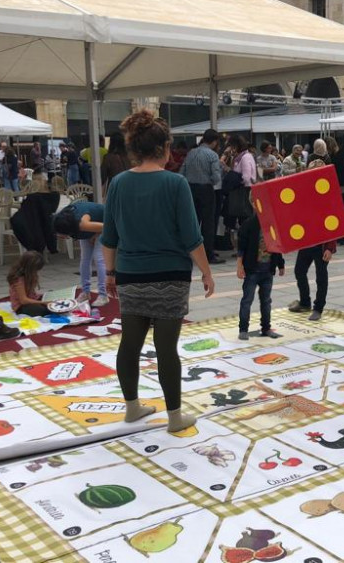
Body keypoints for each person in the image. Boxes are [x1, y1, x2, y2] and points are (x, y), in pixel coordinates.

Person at [102, 109, 214, 434]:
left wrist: (110, 273)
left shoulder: (119, 184)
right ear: (165, 148)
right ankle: (175, 416)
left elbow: (109, 237)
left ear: (134, 149)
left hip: (130, 276)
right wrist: (206, 272)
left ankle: (132, 407)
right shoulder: (175, 183)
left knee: (129, 344)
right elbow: (192, 237)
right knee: (167, 350)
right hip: (171, 276)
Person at [236, 207, 284, 340]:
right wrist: (239, 265)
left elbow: (277, 245)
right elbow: (241, 247)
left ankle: (266, 327)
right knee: (247, 300)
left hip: (268, 270)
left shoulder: (273, 225)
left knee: (266, 301)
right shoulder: (249, 224)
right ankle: (243, 329)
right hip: (252, 270)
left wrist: (280, 264)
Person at [180, 128, 224, 264]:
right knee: (208, 223)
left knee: (193, 221)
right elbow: (216, 177)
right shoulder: (212, 155)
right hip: (206, 190)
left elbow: (182, 172)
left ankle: (189, 251)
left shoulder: (191, 153)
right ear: (215, 141)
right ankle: (208, 253)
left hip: (191, 189)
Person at [52, 201, 109, 306]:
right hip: (90, 226)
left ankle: (103, 295)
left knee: (99, 258)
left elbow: (108, 226)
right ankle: (85, 292)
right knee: (85, 259)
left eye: (62, 234)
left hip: (105, 222)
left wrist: (96, 234)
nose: (60, 237)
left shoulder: (82, 224)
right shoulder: (65, 218)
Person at [7, 251, 50, 316]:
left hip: (32, 299)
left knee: (51, 296)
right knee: (43, 310)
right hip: (21, 306)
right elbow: (23, 300)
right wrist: (43, 302)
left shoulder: (29, 275)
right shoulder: (18, 279)